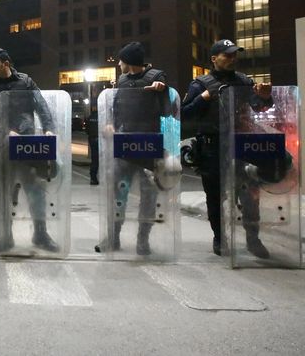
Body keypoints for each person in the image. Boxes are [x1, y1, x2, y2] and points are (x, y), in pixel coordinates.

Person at [181, 39, 273, 258]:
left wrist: (264, 97)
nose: (232, 59)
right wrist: (203, 99)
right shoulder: (200, 84)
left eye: (234, 55)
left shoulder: (243, 81)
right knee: (215, 195)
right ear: (214, 58)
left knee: (249, 194)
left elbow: (260, 108)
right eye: (227, 55)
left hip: (241, 145)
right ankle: (219, 238)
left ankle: (253, 239)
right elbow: (184, 114)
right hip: (212, 147)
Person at [0, 47, 57, 254]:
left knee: (36, 192)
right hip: (2, 146)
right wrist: (5, 131)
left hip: (27, 145)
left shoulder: (25, 81)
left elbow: (41, 106)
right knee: (4, 193)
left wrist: (49, 129)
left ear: (5, 64)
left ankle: (40, 235)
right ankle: (5, 237)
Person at [95, 42, 170, 255]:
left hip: (148, 145)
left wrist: (160, 88)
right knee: (118, 192)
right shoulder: (122, 80)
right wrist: (111, 122)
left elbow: (165, 99)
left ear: (129, 62)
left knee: (149, 195)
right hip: (125, 143)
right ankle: (113, 237)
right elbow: (116, 106)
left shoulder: (156, 76)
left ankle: (142, 240)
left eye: (121, 61)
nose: (118, 64)